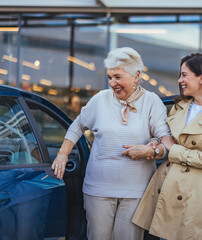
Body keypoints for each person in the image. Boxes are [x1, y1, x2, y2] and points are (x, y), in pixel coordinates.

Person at [51, 47, 169, 240]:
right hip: (98, 189)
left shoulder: (151, 102)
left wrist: (150, 150)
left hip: (136, 190)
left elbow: (166, 142)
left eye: (118, 77)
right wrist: (63, 154)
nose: (112, 83)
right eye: (109, 77)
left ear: (136, 75)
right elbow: (77, 126)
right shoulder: (100, 100)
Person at [131, 53, 202, 239]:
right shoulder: (179, 107)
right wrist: (155, 144)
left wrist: (172, 147)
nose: (180, 80)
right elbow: (165, 142)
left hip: (195, 193)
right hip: (165, 185)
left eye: (185, 75)